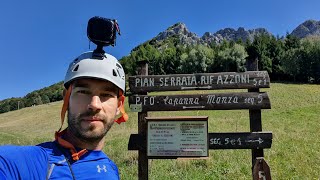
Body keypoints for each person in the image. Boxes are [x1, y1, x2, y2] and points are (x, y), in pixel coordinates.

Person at [0, 49, 128, 179]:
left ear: (119, 105)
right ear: (66, 99)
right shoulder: (33, 163)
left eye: (106, 95)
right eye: (83, 92)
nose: (94, 104)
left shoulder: (111, 168)